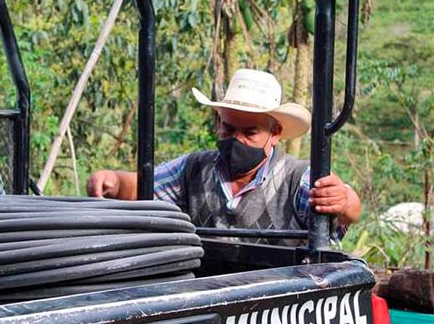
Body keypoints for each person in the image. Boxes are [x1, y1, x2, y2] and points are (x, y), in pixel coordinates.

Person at [87, 69, 361, 244]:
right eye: (229, 128)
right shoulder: (195, 169)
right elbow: (145, 186)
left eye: (249, 132)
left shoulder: (294, 179)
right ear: (219, 123)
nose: (236, 140)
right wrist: (112, 181)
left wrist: (342, 199)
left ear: (275, 133)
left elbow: (347, 208)